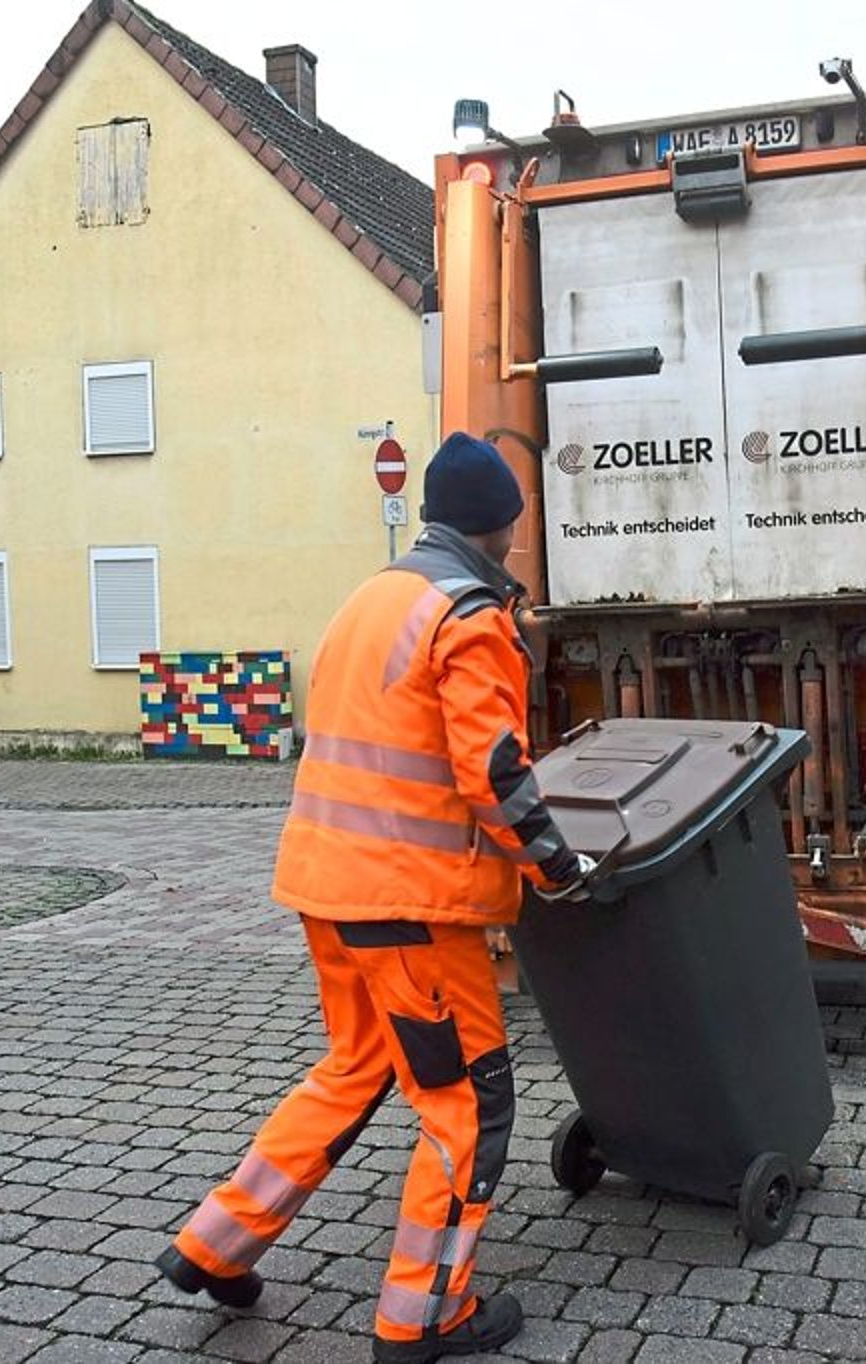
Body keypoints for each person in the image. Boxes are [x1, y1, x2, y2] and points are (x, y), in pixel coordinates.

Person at [155, 432, 592, 1363]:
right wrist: (556, 866)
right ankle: (424, 1315)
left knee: (354, 1070)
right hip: (414, 909)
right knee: (466, 1102)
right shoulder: (470, 617)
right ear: (504, 524)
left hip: (330, 890)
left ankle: (214, 1245)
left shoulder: (374, 597)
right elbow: (494, 772)